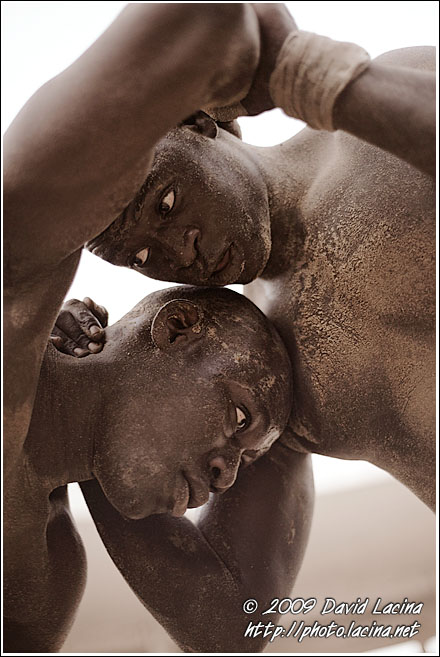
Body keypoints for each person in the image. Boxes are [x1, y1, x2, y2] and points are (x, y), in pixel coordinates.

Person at [3, 4, 314, 652]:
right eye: (239, 417)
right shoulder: (15, 295)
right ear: (177, 327)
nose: (230, 475)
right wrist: (279, 66)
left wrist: (103, 443)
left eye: (248, 458)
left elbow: (230, 630)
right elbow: (194, 23)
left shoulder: (47, 578)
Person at [64, 5, 435, 509]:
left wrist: (299, 71)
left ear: (199, 122)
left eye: (166, 205)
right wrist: (83, 412)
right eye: (142, 257)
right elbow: (239, 587)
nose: (181, 252)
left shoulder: (367, 136)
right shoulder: (252, 361)